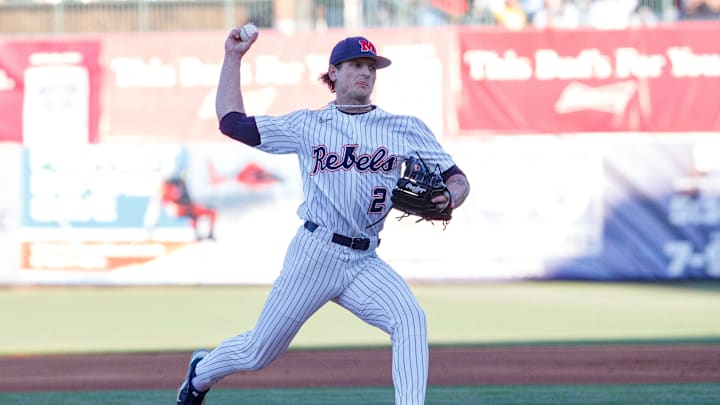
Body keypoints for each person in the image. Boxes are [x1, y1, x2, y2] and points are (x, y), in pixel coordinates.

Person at [176, 28, 471, 405]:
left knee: (410, 320)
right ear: (333, 73)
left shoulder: (405, 128)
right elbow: (232, 122)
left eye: (371, 66)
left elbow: (457, 180)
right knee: (257, 352)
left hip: (365, 260)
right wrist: (233, 57)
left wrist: (449, 198)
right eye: (355, 65)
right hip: (316, 254)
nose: (365, 72)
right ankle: (201, 373)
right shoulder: (308, 126)